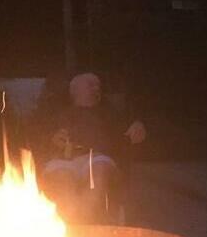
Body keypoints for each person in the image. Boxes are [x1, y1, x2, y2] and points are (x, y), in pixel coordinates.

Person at [41, 72, 146, 222]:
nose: (97, 88)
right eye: (91, 85)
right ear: (74, 90)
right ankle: (74, 223)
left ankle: (81, 223)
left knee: (98, 172)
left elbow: (132, 130)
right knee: (64, 180)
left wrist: (138, 126)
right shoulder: (57, 113)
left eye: (98, 86)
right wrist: (52, 139)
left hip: (96, 157)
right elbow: (38, 139)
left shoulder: (109, 113)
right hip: (64, 159)